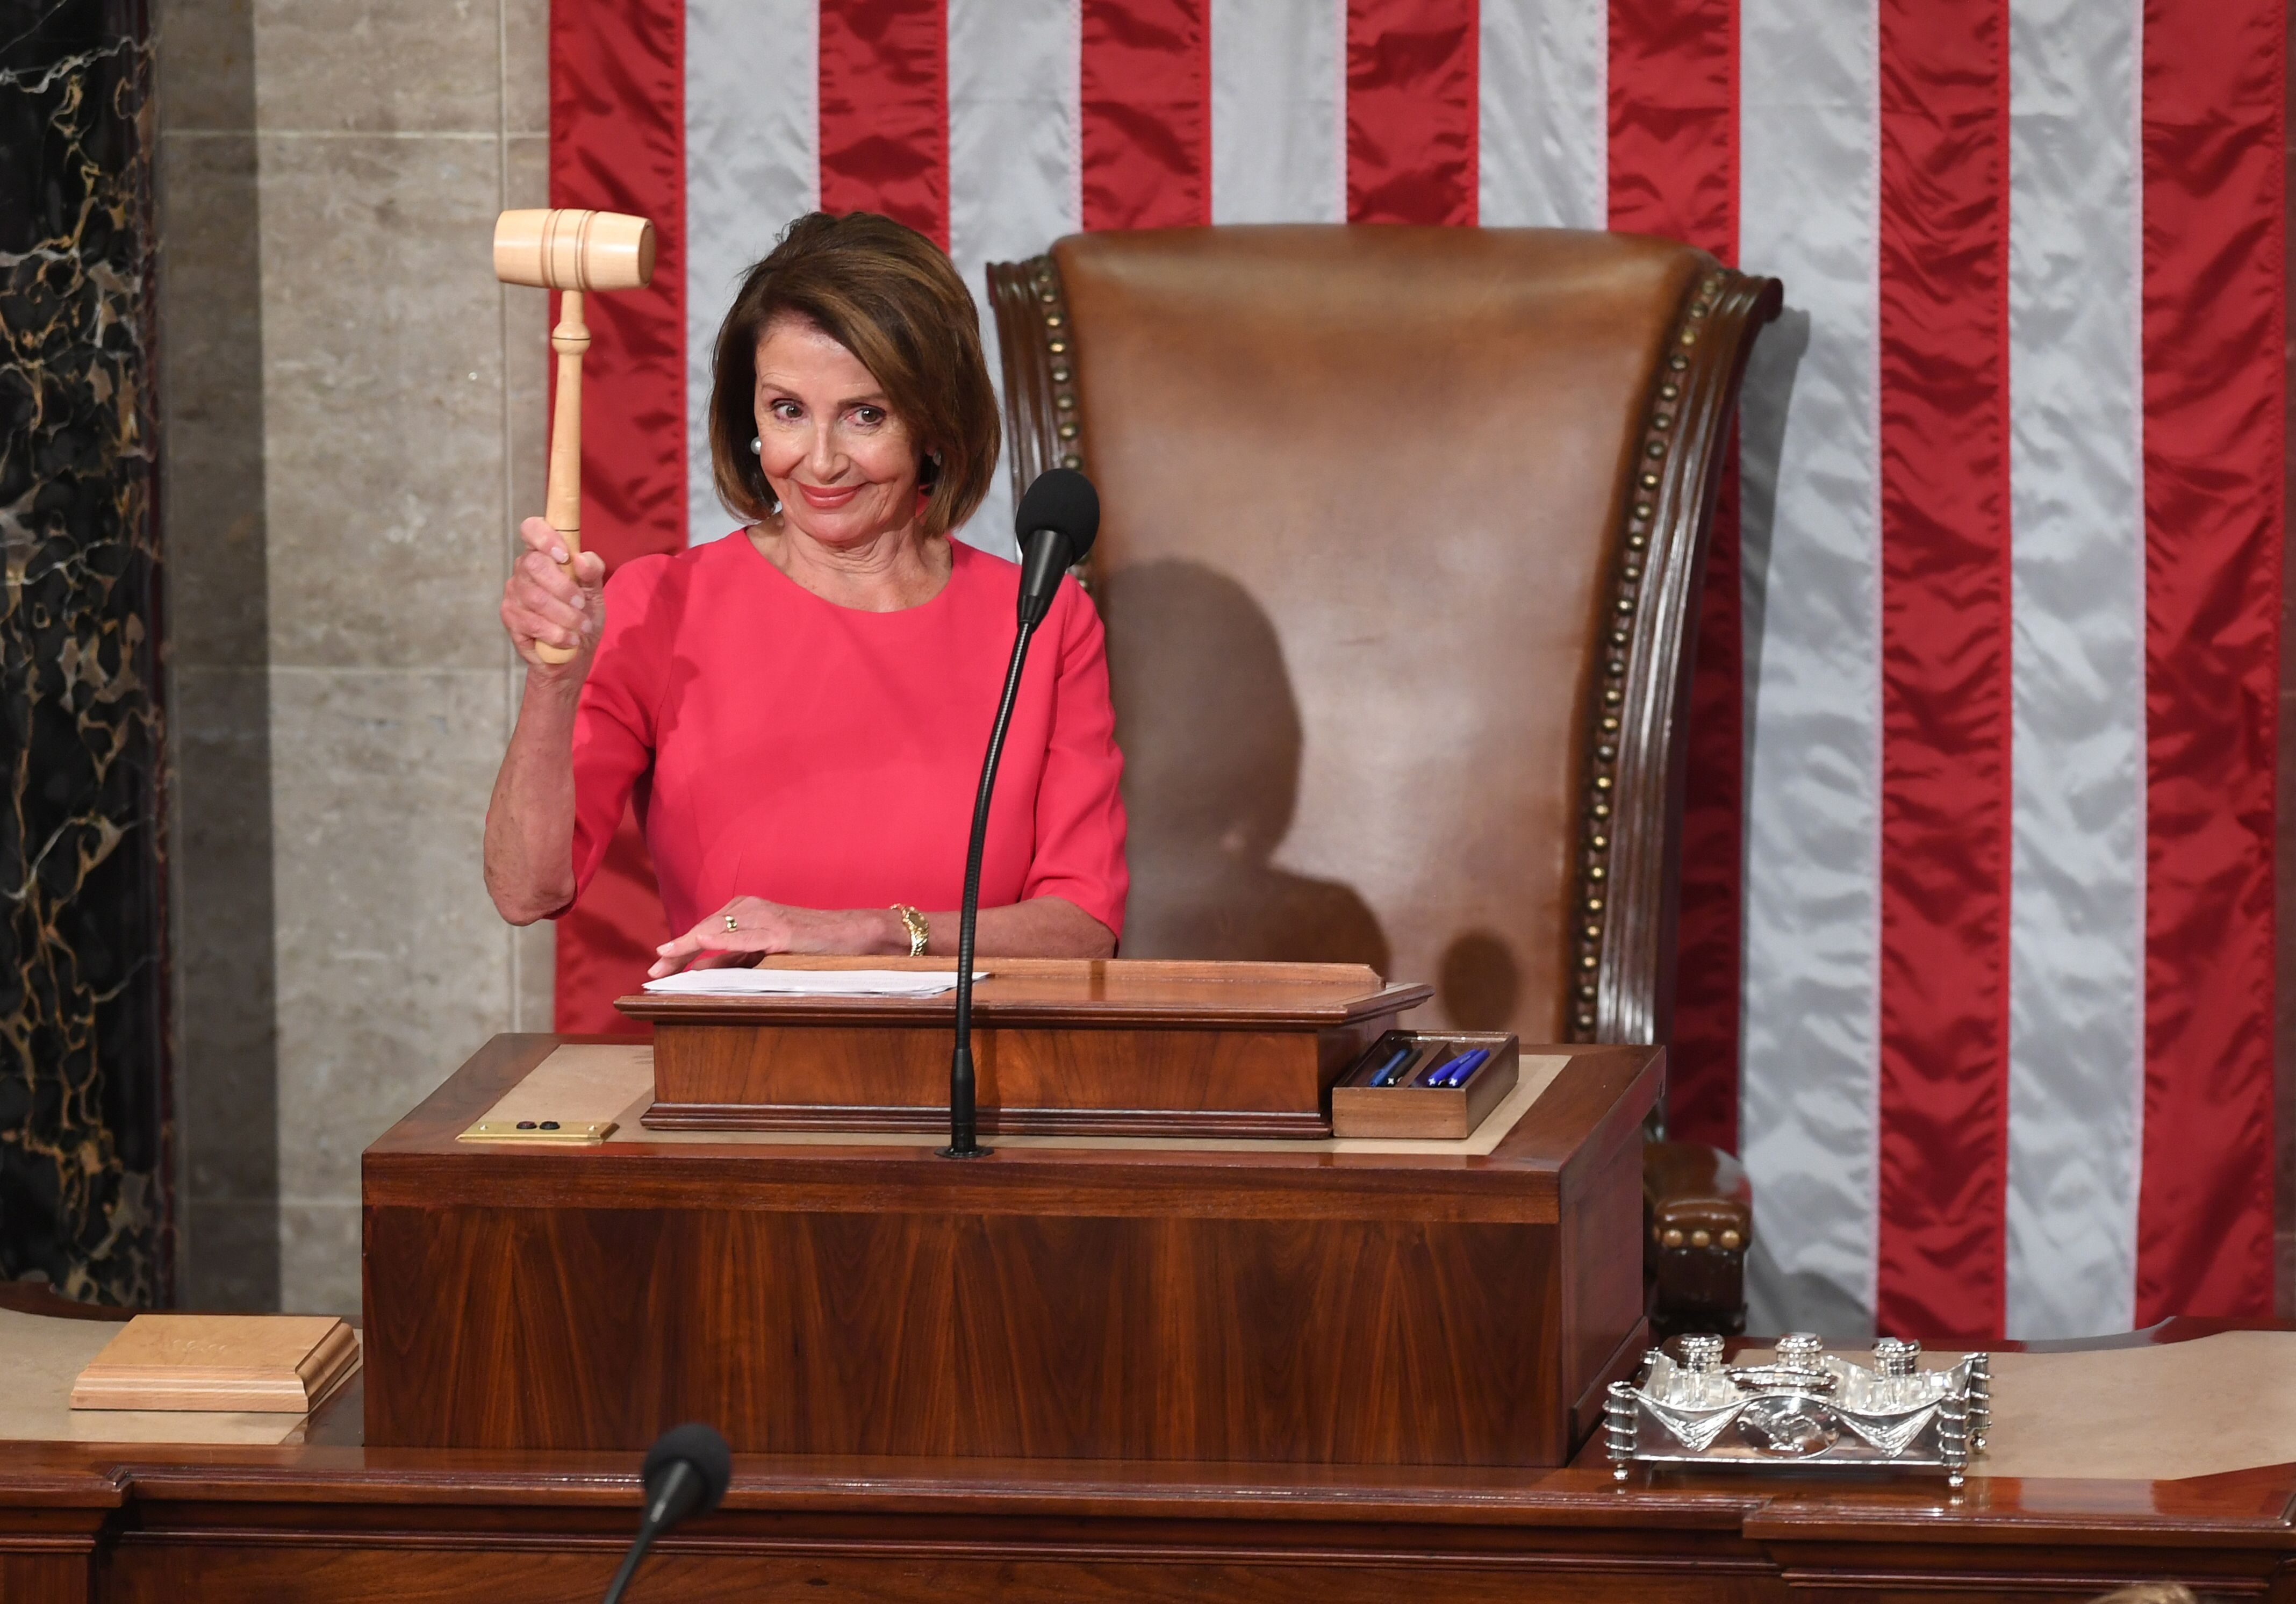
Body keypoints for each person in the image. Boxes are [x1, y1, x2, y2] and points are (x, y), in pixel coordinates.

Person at [483, 211, 1127, 976]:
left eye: (866, 415)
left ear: (935, 424)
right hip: (743, 1079)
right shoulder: (660, 604)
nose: (820, 463)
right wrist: (554, 684)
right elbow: (528, 891)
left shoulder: (1041, 619)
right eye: (787, 411)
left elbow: (1083, 929)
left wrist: (868, 933)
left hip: (983, 1076)